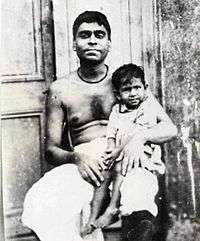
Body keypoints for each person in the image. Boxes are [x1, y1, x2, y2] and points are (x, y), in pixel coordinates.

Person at [22, 11, 177, 241]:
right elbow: (51, 149)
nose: (92, 40)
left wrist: (139, 138)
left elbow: (168, 128)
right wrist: (77, 158)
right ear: (74, 44)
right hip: (88, 163)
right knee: (42, 199)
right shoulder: (60, 89)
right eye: (85, 35)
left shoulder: (127, 83)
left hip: (129, 157)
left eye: (99, 34)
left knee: (138, 197)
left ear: (109, 43)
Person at [80, 63, 173, 240]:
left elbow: (135, 137)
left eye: (137, 88)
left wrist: (117, 152)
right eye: (127, 90)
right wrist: (110, 150)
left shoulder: (147, 108)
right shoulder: (117, 111)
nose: (133, 94)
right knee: (103, 174)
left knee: (120, 167)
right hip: (119, 154)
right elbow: (112, 134)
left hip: (141, 156)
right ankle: (92, 218)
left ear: (145, 88)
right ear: (118, 94)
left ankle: (112, 207)